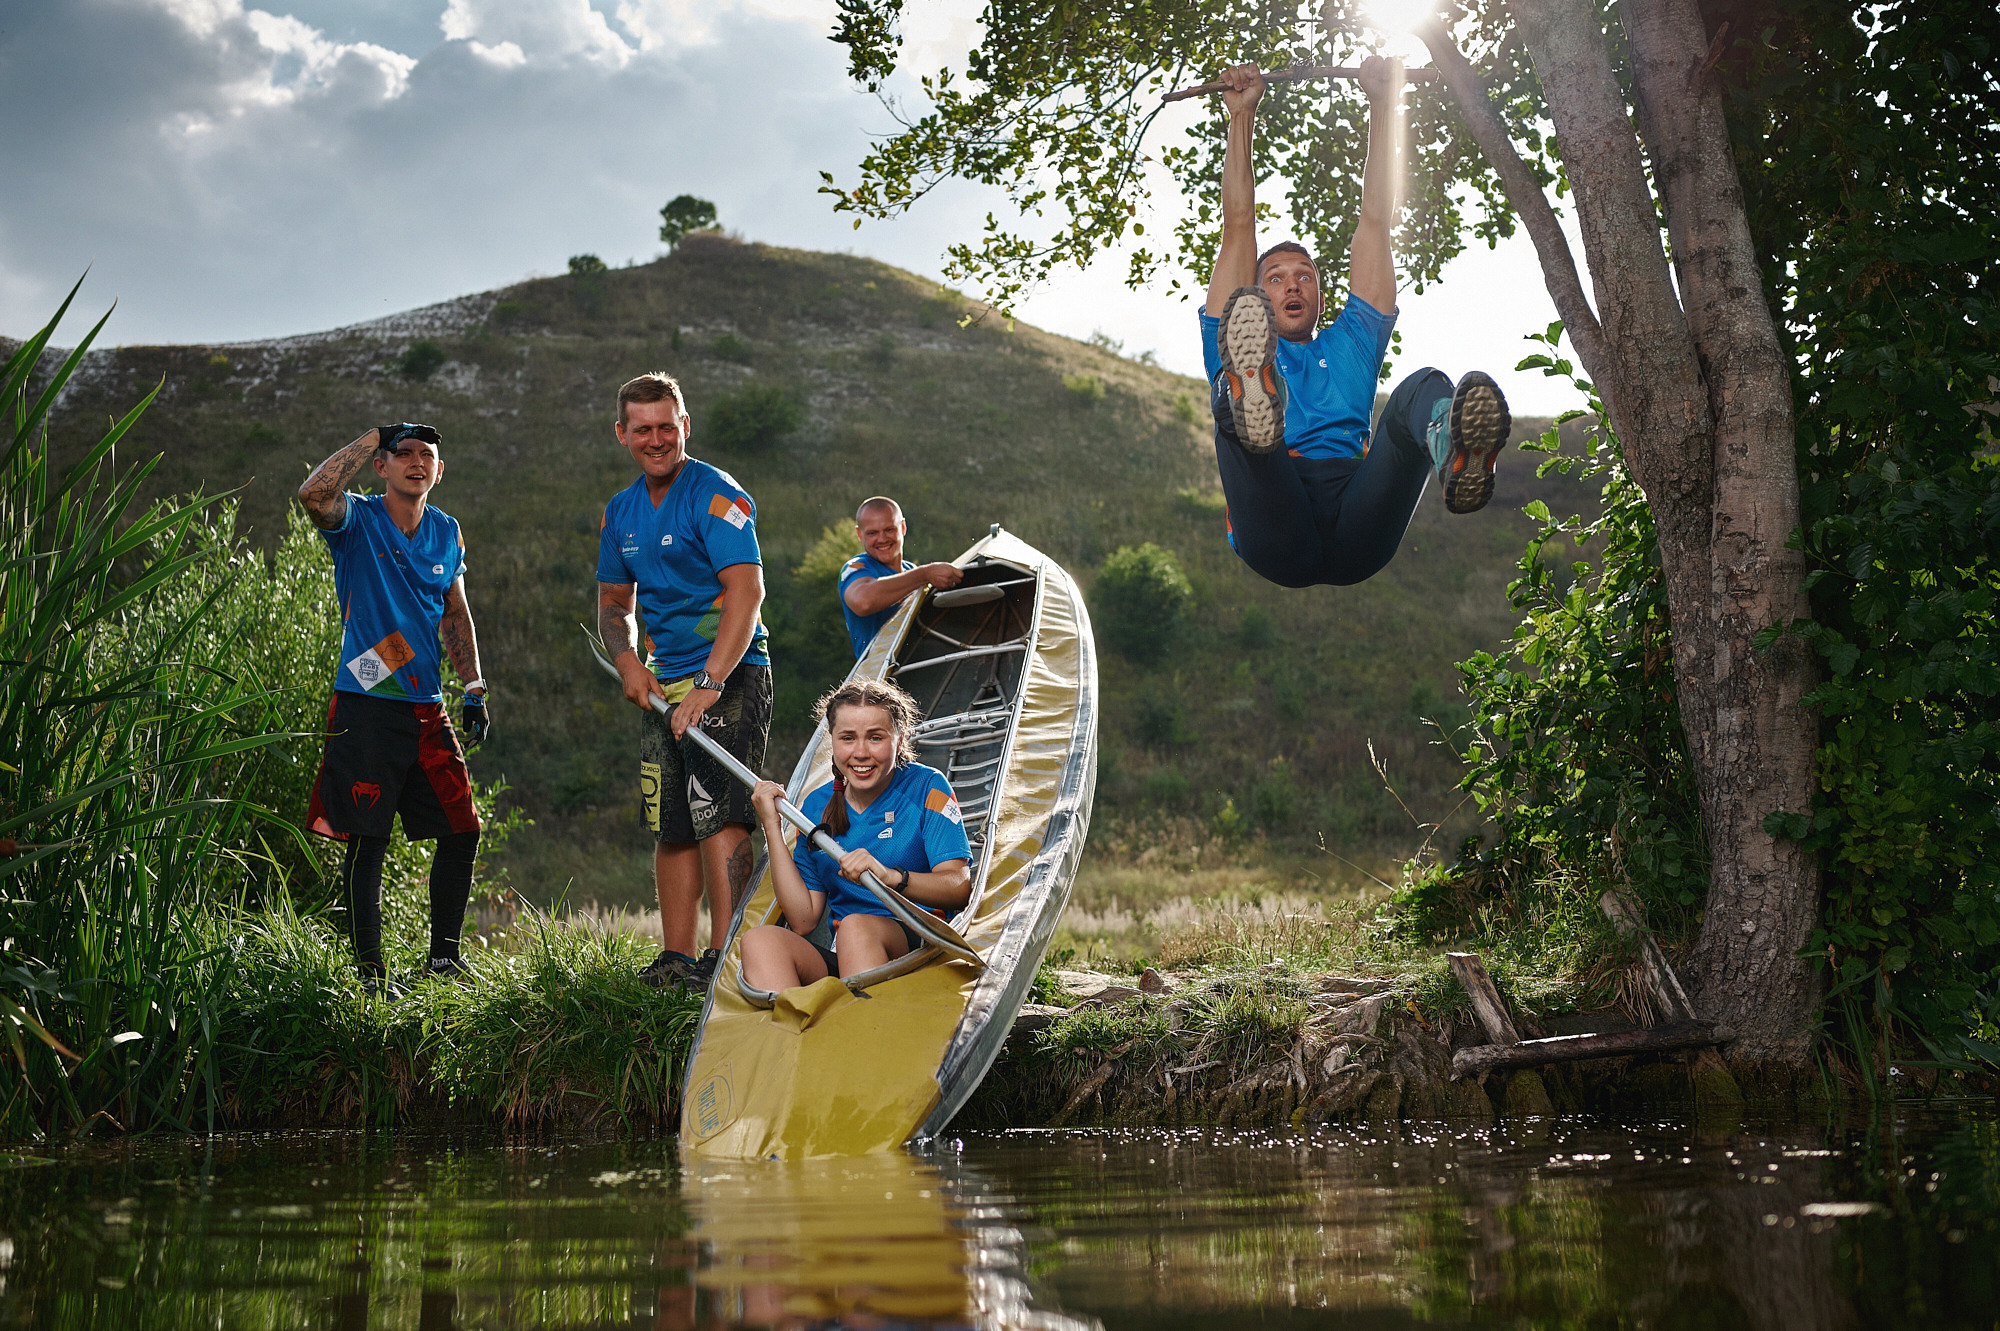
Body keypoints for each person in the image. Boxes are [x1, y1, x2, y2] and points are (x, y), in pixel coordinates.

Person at [1197, 57, 1512, 590]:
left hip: (1358, 523)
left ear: (1321, 295)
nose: (1293, 284)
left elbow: (1375, 220)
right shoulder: (1234, 330)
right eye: (1274, 278)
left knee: (1426, 385)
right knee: (1231, 394)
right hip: (1276, 522)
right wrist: (1241, 118)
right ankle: (1254, 397)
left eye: (1305, 276)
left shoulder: (1353, 343)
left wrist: (1384, 102)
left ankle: (1455, 453)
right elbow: (1237, 225)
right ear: (1254, 290)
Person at [297, 422, 490, 998]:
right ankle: (370, 975)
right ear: (381, 467)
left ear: (438, 470)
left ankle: (445, 962)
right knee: (368, 837)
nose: (415, 462)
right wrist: (371, 436)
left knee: (462, 829)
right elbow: (313, 494)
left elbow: (454, 613)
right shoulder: (357, 520)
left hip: (427, 707)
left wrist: (474, 684)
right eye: (402, 453)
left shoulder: (446, 532)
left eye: (427, 455)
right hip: (366, 703)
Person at [597, 372, 773, 992]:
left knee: (721, 816)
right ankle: (676, 957)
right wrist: (627, 662)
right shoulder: (618, 511)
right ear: (622, 434)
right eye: (642, 428)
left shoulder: (716, 493)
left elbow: (746, 593)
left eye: (666, 426)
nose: (656, 438)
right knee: (670, 822)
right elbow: (615, 604)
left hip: (729, 675)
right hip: (660, 683)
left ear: (684, 426)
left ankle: (722, 960)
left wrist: (709, 681)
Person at [740, 680, 972, 990]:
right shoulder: (816, 805)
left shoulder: (928, 786)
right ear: (832, 741)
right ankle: (796, 1033)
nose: (860, 753)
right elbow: (803, 919)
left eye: (876, 738)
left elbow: (958, 887)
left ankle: (864, 1031)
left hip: (919, 947)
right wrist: (772, 825)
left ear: (900, 741)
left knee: (855, 928)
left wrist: (891, 876)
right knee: (759, 941)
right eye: (848, 738)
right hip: (848, 956)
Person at [838, 496, 964, 657]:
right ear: (859, 534)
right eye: (872, 533)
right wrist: (925, 574)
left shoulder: (912, 571)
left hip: (926, 666)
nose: (882, 539)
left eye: (889, 529)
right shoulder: (856, 568)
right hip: (880, 677)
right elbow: (863, 602)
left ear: (903, 527)